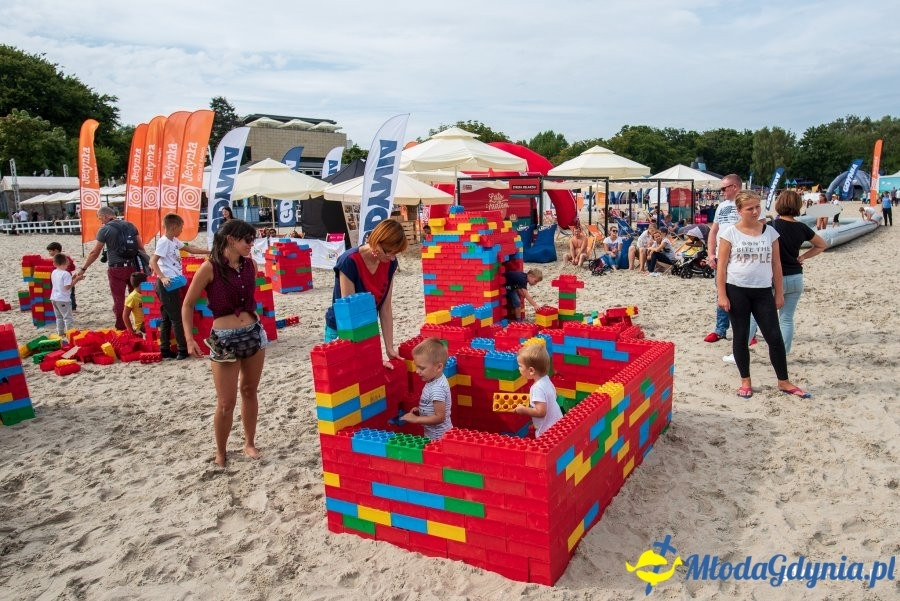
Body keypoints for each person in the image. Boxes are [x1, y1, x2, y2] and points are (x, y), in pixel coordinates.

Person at [183, 219, 267, 468]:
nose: (251, 245)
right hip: (224, 339)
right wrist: (189, 339)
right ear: (231, 239)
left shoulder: (249, 264)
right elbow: (187, 304)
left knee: (250, 391)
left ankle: (249, 443)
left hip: (253, 333)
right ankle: (221, 451)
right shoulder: (210, 268)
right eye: (247, 240)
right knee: (226, 401)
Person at [717, 191, 809, 399]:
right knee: (741, 336)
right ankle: (745, 381)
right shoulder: (730, 233)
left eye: (757, 207)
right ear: (739, 211)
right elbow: (722, 267)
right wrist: (721, 295)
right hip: (736, 289)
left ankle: (784, 381)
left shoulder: (770, 233)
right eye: (750, 208)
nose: (755, 211)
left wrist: (779, 293)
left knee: (774, 336)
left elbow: (776, 264)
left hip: (762, 291)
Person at [744, 191, 826, 355]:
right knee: (786, 319)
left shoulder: (771, 226)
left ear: (779, 204)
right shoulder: (801, 227)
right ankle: (783, 354)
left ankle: (740, 349)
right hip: (796, 276)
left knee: (755, 316)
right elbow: (821, 245)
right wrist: (803, 256)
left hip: (773, 278)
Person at [324, 219, 409, 364]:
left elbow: (386, 308)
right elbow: (351, 314)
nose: (392, 258)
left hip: (368, 326)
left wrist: (389, 347)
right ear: (377, 242)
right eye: (389, 252)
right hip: (342, 330)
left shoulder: (390, 264)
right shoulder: (349, 261)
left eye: (396, 254)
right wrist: (371, 356)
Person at [150, 213, 210, 359]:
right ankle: (182, 350)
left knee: (166, 317)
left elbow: (191, 249)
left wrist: (209, 251)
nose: (182, 231)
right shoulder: (164, 242)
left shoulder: (174, 240)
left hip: (172, 282)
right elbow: (153, 261)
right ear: (174, 227)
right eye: (181, 228)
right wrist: (163, 278)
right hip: (167, 283)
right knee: (177, 318)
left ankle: (164, 349)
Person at [77, 206, 147, 330]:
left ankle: (121, 326)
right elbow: (141, 247)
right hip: (132, 267)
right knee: (137, 296)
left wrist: (84, 268)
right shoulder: (131, 225)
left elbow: (95, 252)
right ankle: (141, 325)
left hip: (116, 268)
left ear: (105, 216)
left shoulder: (105, 229)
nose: (101, 221)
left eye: (100, 218)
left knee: (119, 299)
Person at [705, 174, 742, 343]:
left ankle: (746, 331)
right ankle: (720, 329)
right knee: (721, 292)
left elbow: (761, 228)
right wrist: (711, 253)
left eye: (724, 188)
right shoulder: (721, 207)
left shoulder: (748, 203)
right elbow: (713, 231)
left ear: (734, 187)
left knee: (742, 293)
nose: (721, 192)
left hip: (741, 256)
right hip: (721, 255)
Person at [401, 338, 452, 440]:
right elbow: (433, 406)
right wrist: (422, 410)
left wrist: (416, 419)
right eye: (417, 367)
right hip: (433, 435)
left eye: (422, 368)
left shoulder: (437, 388)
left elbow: (439, 417)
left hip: (439, 438)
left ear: (438, 367)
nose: (417, 371)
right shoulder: (433, 380)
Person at [514, 343, 562, 437]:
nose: (519, 368)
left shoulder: (537, 388)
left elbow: (541, 412)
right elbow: (553, 396)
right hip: (557, 424)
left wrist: (524, 410)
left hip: (547, 432)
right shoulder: (546, 379)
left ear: (531, 370)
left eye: (520, 366)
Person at [50, 253, 82, 338]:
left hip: (54, 298)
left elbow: (61, 283)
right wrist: (77, 280)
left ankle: (60, 332)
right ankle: (70, 334)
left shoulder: (54, 272)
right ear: (66, 262)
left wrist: (73, 278)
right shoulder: (66, 273)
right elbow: (67, 287)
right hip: (63, 299)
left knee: (59, 317)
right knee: (68, 318)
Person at [47, 242, 77, 311]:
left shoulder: (56, 260)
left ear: (56, 250)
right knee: (70, 291)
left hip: (61, 277)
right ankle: (73, 307)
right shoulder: (67, 257)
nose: (49, 253)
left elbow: (54, 269)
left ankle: (72, 307)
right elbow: (73, 267)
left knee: (68, 290)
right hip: (66, 276)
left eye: (50, 251)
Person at [123, 272, 148, 336]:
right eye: (147, 282)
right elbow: (125, 316)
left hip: (150, 319)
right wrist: (131, 331)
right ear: (141, 285)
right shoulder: (132, 297)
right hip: (142, 324)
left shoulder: (147, 293)